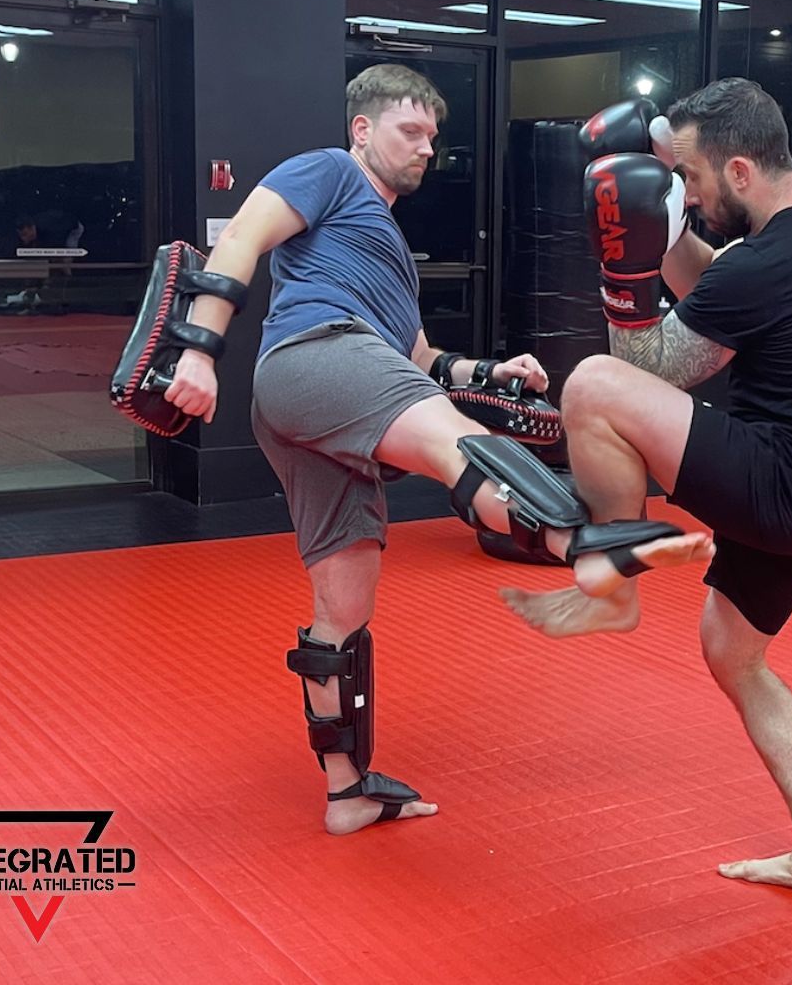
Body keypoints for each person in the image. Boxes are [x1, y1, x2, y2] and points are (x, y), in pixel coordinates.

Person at [160, 63, 712, 836]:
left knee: (341, 613)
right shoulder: (326, 171)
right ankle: (580, 544)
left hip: (325, 397)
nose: (425, 149)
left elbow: (419, 360)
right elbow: (243, 237)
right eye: (408, 131)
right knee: (463, 442)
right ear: (362, 129)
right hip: (318, 357)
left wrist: (490, 370)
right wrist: (197, 351)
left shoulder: (381, 241)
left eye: (432, 137)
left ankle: (347, 792)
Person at [503, 78, 792, 905]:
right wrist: (664, 232)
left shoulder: (765, 263)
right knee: (732, 654)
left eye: (696, 179)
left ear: (741, 169)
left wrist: (621, 263)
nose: (689, 193)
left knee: (595, 385)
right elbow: (727, 290)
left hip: (781, 487)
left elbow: (650, 371)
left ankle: (615, 576)